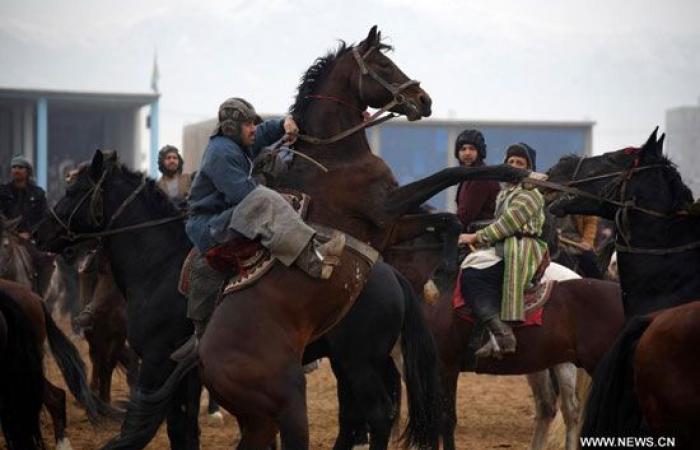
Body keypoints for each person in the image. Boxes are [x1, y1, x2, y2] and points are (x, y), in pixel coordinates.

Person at [183, 97, 346, 342]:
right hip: (210, 225)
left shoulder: (238, 141)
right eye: (248, 125)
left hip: (228, 214)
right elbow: (245, 196)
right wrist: (264, 180)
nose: (253, 129)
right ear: (231, 128)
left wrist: (285, 124)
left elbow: (264, 133)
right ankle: (313, 259)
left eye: (253, 124)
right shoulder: (222, 154)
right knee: (264, 200)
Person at [457, 143, 548, 359]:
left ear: (528, 169)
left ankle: (501, 332)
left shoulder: (530, 194)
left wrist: (474, 237)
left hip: (522, 248)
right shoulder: (506, 192)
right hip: (505, 245)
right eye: (511, 162)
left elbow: (506, 224)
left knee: (472, 274)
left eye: (520, 163)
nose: (514, 166)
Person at [454, 129, 500, 232]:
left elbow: (464, 217)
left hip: (481, 239)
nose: (467, 153)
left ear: (480, 152)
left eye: (472, 149)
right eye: (463, 149)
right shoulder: (468, 176)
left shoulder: (481, 178)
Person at [0, 156, 48, 239]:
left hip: (32, 240)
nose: (16, 170)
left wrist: (30, 233)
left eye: (20, 167)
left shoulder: (38, 194)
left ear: (28, 171)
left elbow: (44, 219)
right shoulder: (3, 192)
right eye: (14, 167)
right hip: (7, 238)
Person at [556, 214, 603, 278]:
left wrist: (587, 241)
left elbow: (590, 222)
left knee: (592, 263)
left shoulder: (585, 205)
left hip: (576, 242)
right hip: (554, 241)